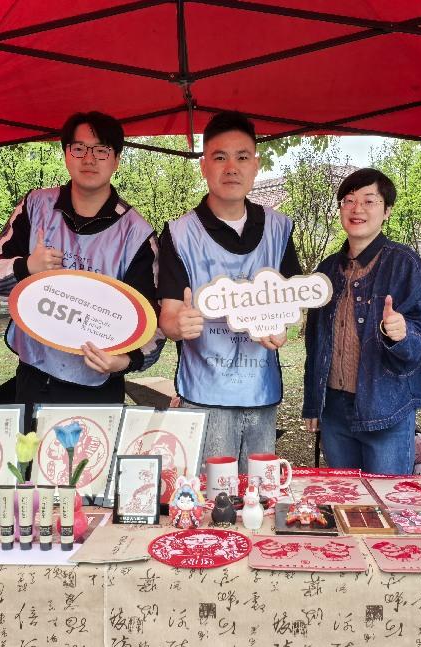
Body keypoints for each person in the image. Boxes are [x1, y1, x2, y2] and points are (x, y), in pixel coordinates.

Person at [0, 111, 163, 419]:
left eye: (101, 150)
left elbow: (153, 322)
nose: (89, 159)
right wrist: (28, 267)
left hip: (99, 387)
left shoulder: (137, 234)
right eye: (79, 148)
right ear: (66, 154)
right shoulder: (35, 206)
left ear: (117, 159)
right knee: (30, 452)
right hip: (34, 376)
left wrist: (125, 361)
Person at [157, 111, 302, 472]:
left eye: (242, 157)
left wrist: (281, 326)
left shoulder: (279, 229)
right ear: (204, 166)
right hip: (204, 394)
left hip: (261, 391)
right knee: (212, 495)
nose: (231, 168)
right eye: (220, 157)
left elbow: (292, 304)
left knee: (260, 493)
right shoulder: (179, 234)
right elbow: (169, 316)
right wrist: (178, 325)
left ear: (255, 165)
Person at [302, 168, 421, 475]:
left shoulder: (403, 263)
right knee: (347, 495)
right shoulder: (326, 269)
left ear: (387, 211)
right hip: (334, 409)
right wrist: (313, 402)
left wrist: (402, 334)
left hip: (386, 408)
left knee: (386, 498)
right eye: (348, 200)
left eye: (369, 201)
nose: (357, 209)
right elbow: (315, 340)